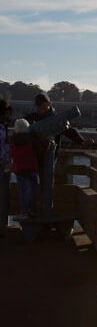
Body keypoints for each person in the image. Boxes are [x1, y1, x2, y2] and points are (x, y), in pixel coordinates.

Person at [27, 93, 93, 217]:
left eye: (42, 105)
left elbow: (70, 131)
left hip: (51, 154)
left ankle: (47, 210)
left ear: (49, 104)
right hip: (35, 156)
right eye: (37, 106)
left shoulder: (58, 119)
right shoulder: (32, 118)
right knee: (33, 182)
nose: (39, 108)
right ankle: (34, 210)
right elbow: (24, 128)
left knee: (48, 182)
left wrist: (82, 141)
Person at [9, 119, 39, 218]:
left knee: (22, 190)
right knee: (33, 188)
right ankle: (31, 209)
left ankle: (24, 211)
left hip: (18, 169)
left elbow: (12, 154)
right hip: (31, 167)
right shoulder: (31, 140)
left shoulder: (13, 141)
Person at [0, 100, 12, 235]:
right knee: (3, 197)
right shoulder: (3, 126)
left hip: (5, 165)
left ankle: (3, 225)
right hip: (4, 164)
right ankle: (2, 225)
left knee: (4, 197)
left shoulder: (4, 126)